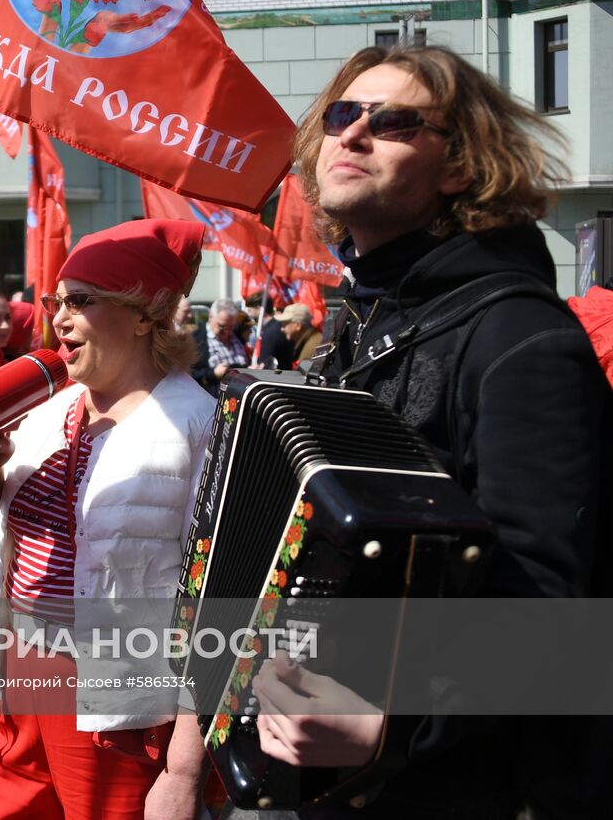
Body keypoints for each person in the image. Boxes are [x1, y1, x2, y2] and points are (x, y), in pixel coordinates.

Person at [252, 44, 610, 818]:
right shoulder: (361, 321)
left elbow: (556, 609)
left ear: (459, 166)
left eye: (395, 123)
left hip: (468, 788)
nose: (352, 135)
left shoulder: (519, 334)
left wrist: (394, 724)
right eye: (342, 116)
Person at [0, 219, 215, 820]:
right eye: (57, 302)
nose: (58, 319)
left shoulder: (198, 422)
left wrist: (183, 768)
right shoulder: (48, 404)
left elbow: (219, 601)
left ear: (146, 314)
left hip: (116, 701)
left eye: (81, 301)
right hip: (22, 671)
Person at [189, 298, 247, 396]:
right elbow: (188, 374)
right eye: (222, 326)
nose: (227, 331)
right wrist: (212, 374)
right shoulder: (196, 339)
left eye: (232, 327)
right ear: (210, 317)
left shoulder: (237, 334)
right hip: (212, 401)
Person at [254, 301, 297, 371]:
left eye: (285, 323)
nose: (282, 328)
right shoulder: (271, 329)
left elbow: (265, 367)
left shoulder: (270, 332)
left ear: (297, 325)